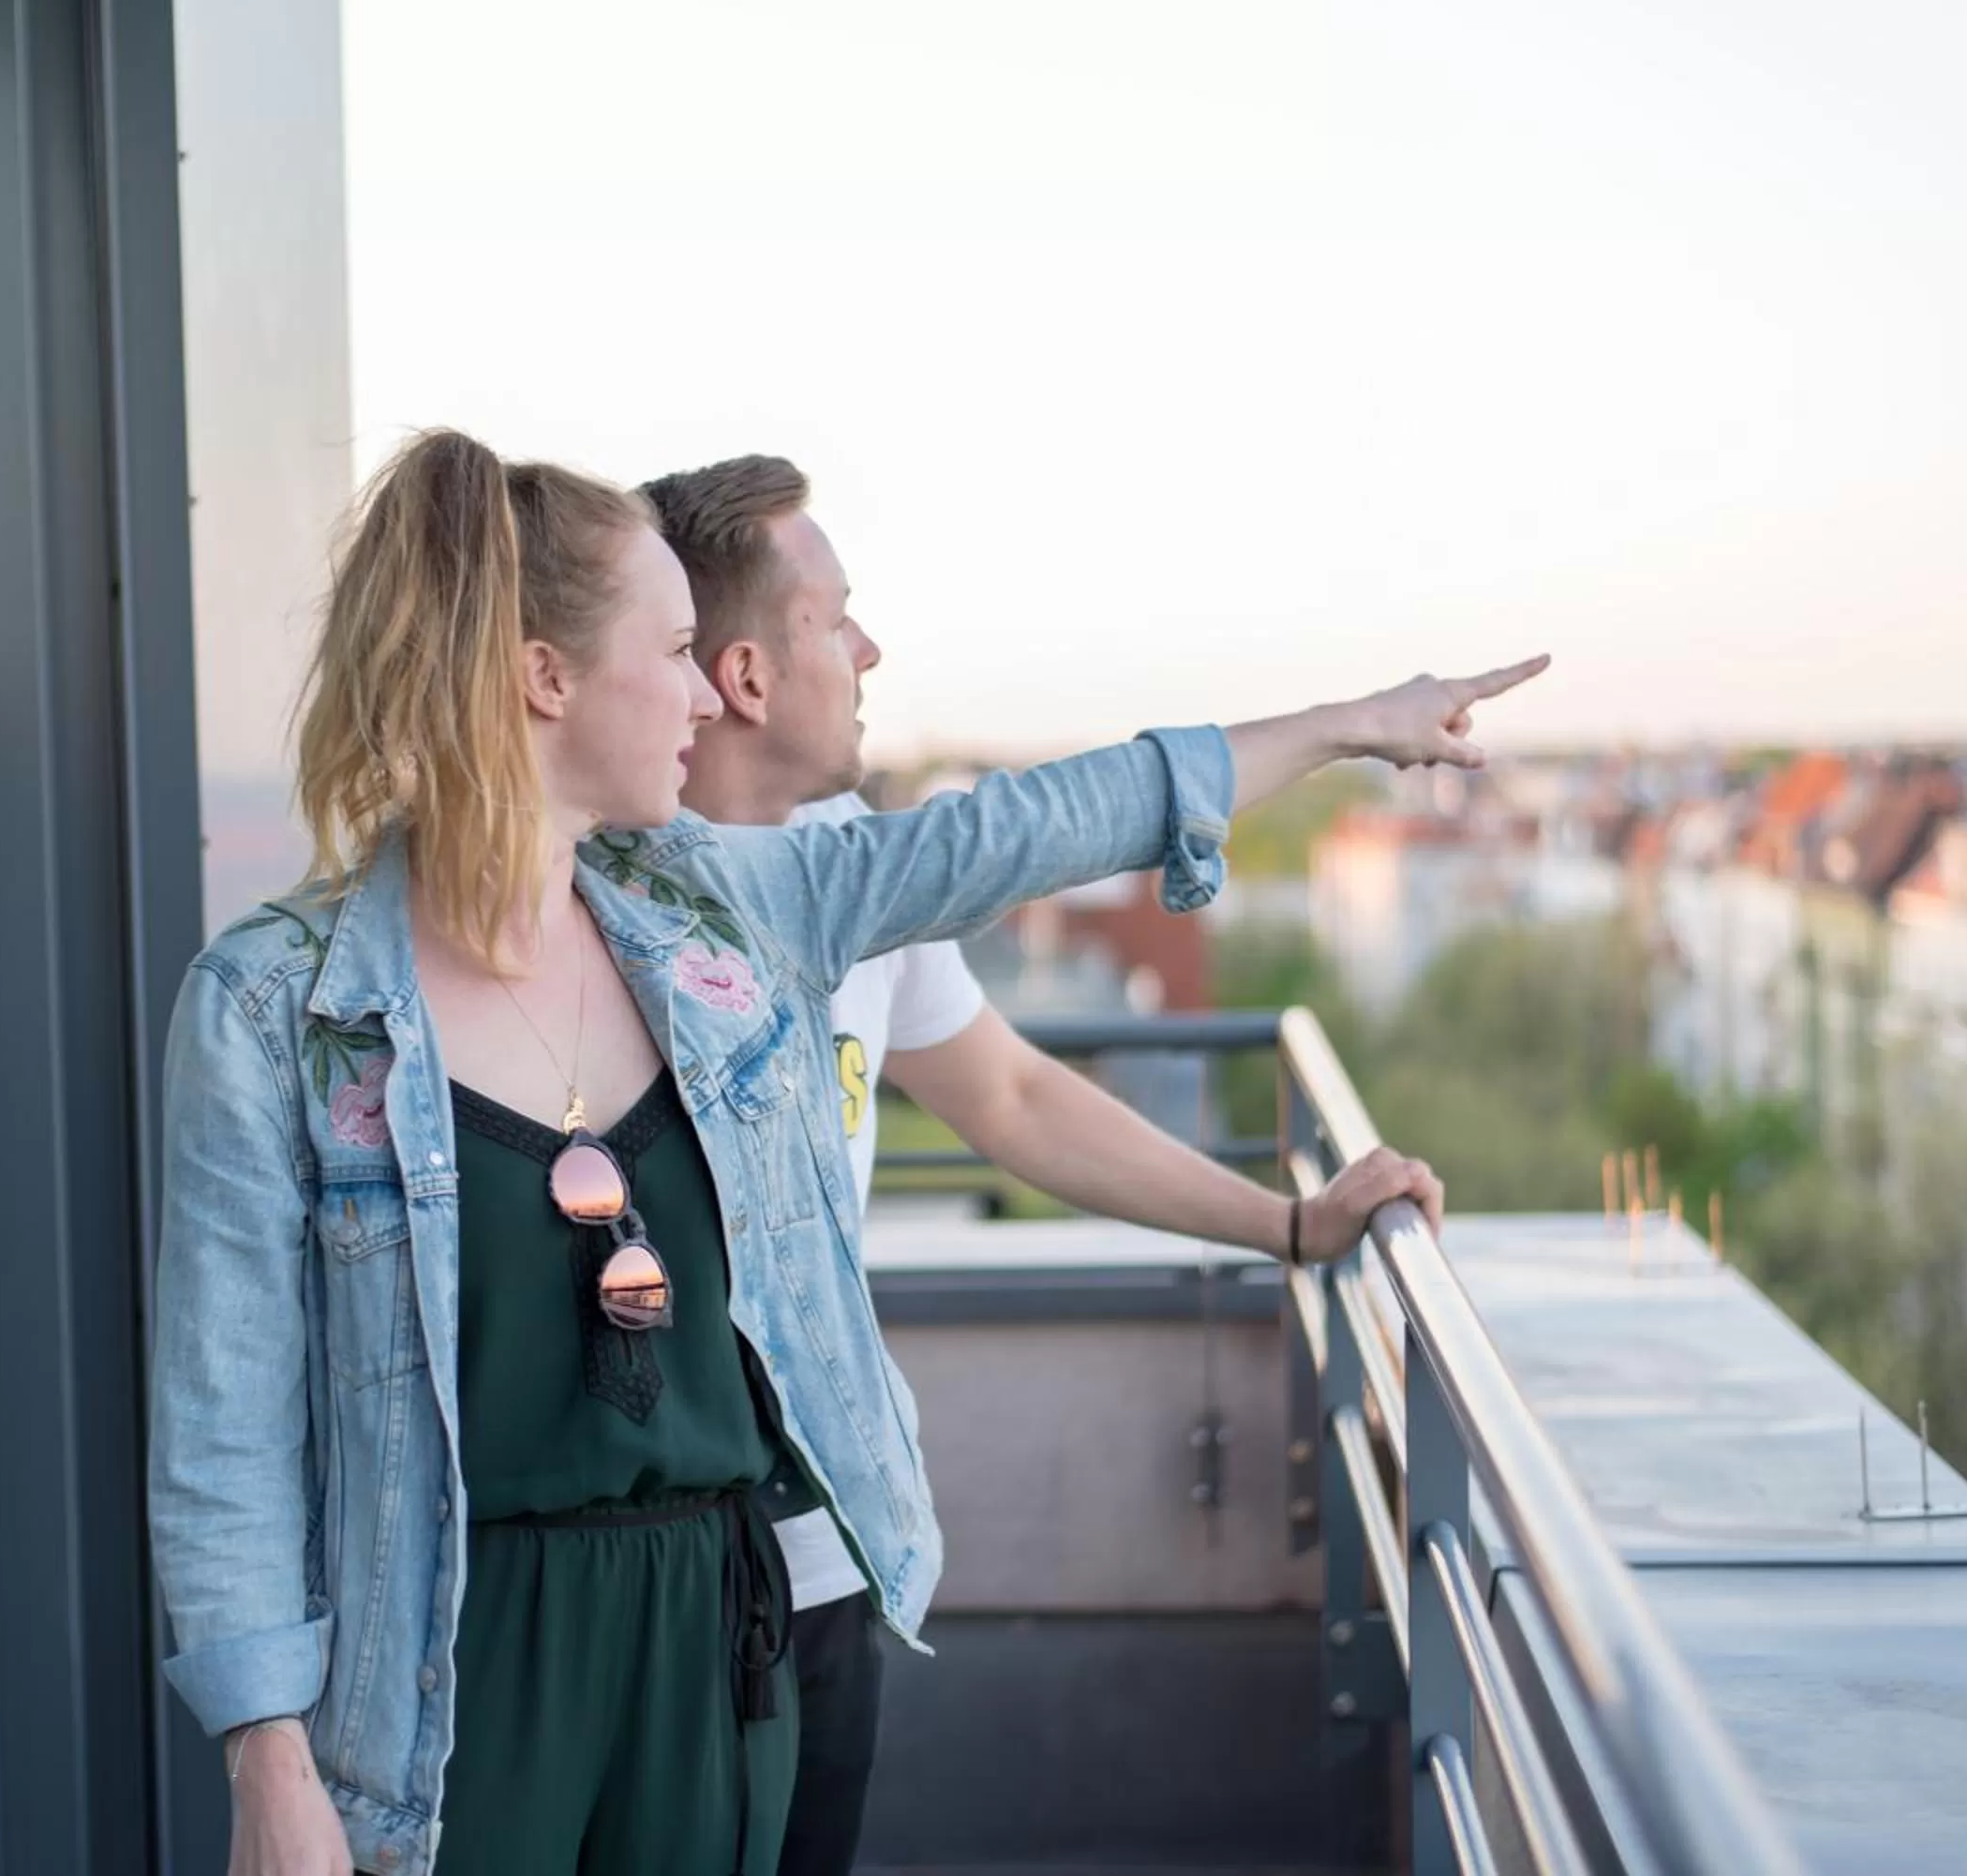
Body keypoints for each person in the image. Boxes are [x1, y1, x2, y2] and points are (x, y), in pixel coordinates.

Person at [148, 427, 1541, 1876]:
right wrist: (268, 1758)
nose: (704, 692)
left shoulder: (727, 909)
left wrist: (1346, 724)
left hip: (715, 1647)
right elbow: (224, 1424)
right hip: (448, 1675)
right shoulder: (271, 1005)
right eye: (673, 650)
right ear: (545, 678)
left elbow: (1035, 827)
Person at [640, 454, 1514, 1875]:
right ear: (743, 674)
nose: (871, 649)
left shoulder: (853, 866)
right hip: (640, 1588)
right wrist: (1349, 724)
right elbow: (1051, 822)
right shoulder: (609, 893)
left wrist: (1290, 1224)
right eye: (837, 618)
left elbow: (1016, 1098)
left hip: (828, 1561)